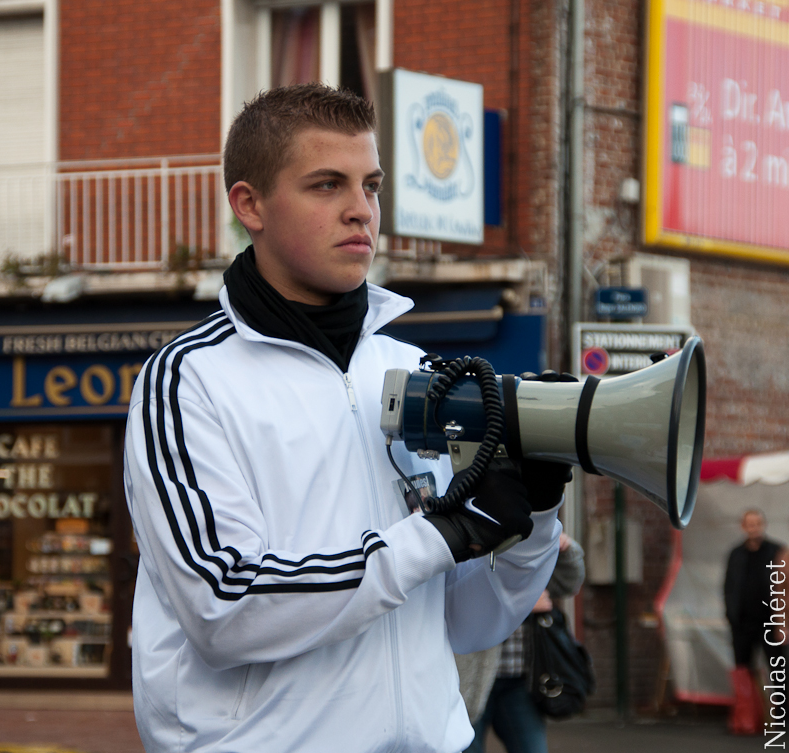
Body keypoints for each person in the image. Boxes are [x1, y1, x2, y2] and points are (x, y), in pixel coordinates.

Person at [123, 83, 570, 753]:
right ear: (250, 205)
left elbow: (464, 619)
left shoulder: (415, 367)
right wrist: (441, 534)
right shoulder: (187, 380)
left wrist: (531, 521)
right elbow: (225, 602)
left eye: (372, 185)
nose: (362, 210)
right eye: (327, 185)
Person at [461, 533, 585, 753]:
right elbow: (459, 595)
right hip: (470, 679)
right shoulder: (471, 531)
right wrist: (524, 602)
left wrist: (565, 550)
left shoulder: (529, 535)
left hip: (520, 680)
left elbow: (567, 584)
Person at [724, 508, 786, 734]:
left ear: (763, 525)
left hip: (770, 621)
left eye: (757, 523)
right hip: (743, 622)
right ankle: (747, 715)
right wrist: (731, 615)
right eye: (750, 524)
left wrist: (782, 620)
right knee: (743, 669)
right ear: (743, 526)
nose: (754, 528)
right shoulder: (736, 554)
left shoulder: (776, 551)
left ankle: (780, 717)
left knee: (777, 668)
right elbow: (729, 587)